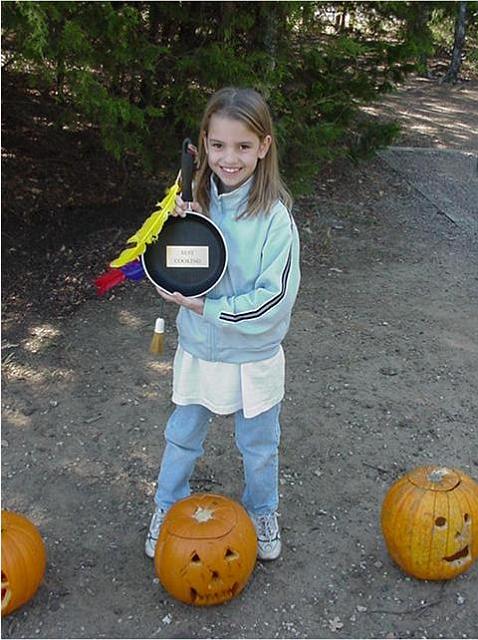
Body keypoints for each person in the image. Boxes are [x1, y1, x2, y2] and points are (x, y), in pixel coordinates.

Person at [145, 87, 300, 562]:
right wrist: (168, 230)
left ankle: (261, 511)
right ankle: (167, 507)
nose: (229, 158)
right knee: (183, 435)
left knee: (258, 443)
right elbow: (170, 269)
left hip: (252, 358)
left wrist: (208, 310)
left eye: (243, 146)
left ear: (264, 147)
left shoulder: (275, 221)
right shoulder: (190, 204)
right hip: (199, 349)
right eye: (218, 146)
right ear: (204, 145)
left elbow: (272, 301)